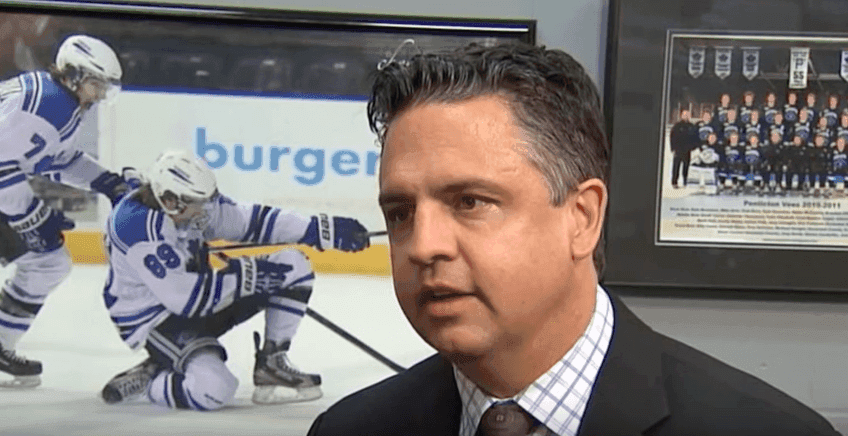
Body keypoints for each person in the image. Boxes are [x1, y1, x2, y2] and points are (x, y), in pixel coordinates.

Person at [307, 42, 840, 435]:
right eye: (400, 213)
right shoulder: (351, 429)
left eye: (469, 202)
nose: (423, 246)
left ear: (582, 218)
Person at [99, 150, 370, 410]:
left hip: (201, 298)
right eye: (198, 202)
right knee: (214, 389)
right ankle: (152, 381)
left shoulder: (186, 205)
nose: (205, 210)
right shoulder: (138, 228)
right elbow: (185, 299)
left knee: (292, 264)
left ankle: (271, 364)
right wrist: (245, 275)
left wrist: (319, 229)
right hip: (157, 319)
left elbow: (249, 221)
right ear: (170, 201)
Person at [0, 34, 135, 387]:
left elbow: (54, 159)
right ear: (74, 75)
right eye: (97, 84)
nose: (101, 94)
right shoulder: (49, 103)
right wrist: (33, 217)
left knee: (48, 262)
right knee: (46, 261)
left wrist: (106, 182)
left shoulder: (62, 101)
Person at [669, 108, 698, 188]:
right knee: (676, 167)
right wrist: (673, 147)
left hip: (687, 150)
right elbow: (672, 137)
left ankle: (685, 181)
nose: (686, 116)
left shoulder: (691, 126)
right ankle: (674, 182)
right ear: (681, 115)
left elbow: (695, 137)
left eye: (687, 114)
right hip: (678, 150)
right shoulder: (677, 126)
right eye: (684, 114)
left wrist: (693, 147)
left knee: (686, 167)